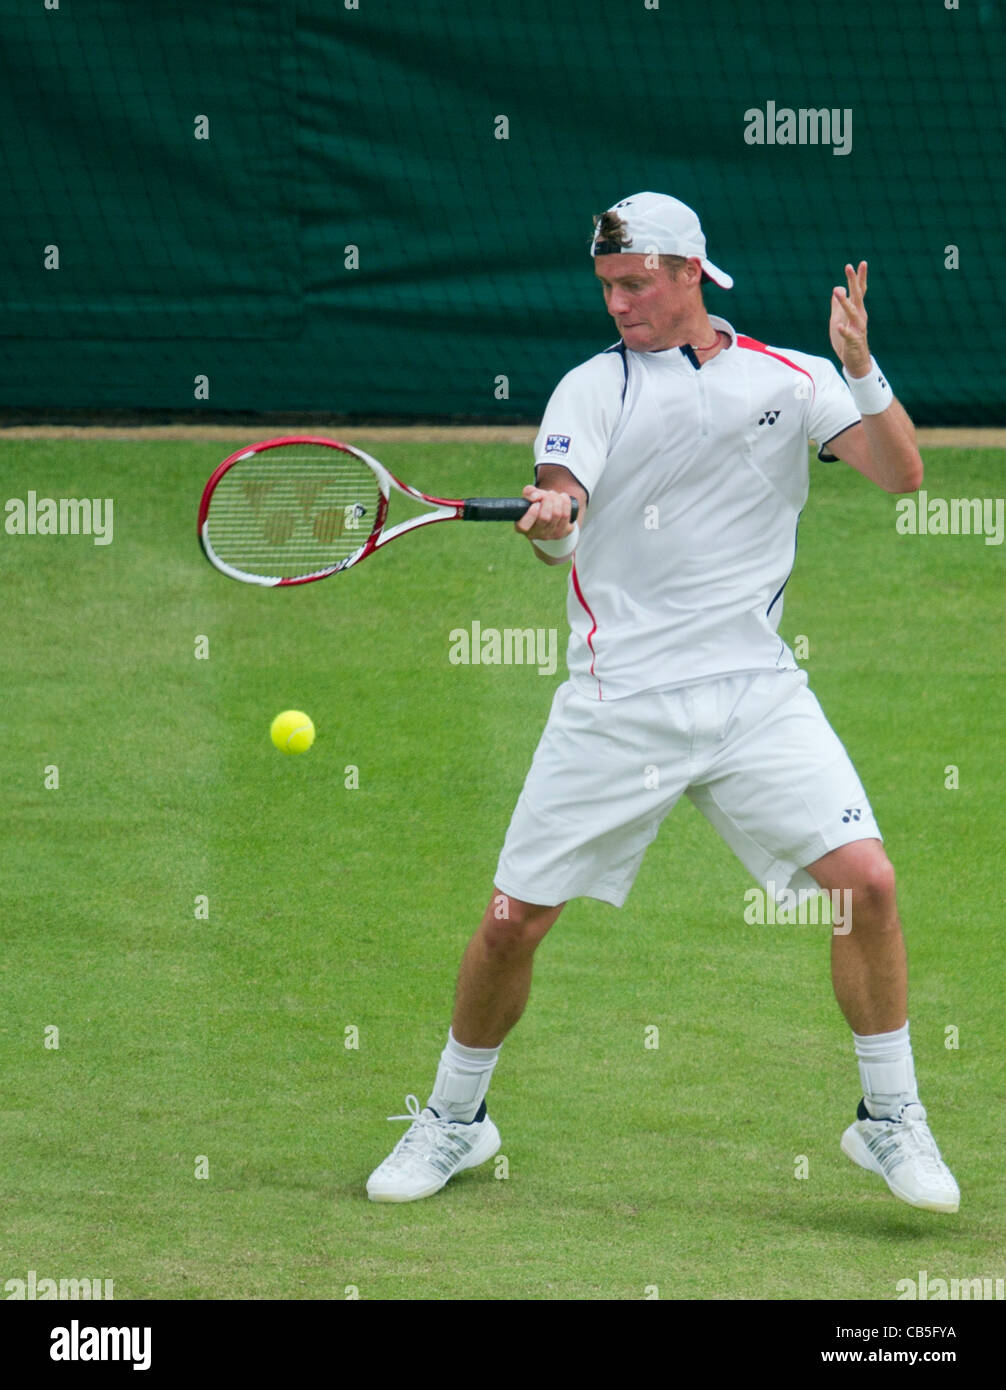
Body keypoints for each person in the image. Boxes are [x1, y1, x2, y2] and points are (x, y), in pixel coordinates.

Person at [366, 191, 959, 1213]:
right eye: (605, 287)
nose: (617, 303)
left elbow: (902, 474)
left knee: (867, 879)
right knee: (511, 923)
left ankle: (887, 1117)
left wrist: (861, 369)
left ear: (691, 273)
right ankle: (456, 1120)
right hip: (617, 702)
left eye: (634, 283)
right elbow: (565, 497)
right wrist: (553, 519)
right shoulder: (591, 389)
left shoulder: (795, 379)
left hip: (752, 694)